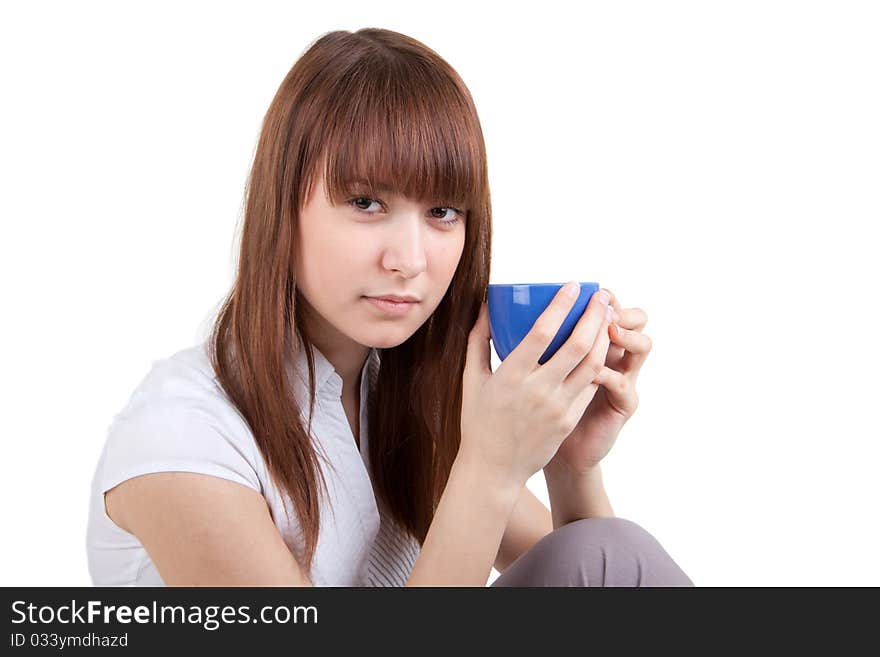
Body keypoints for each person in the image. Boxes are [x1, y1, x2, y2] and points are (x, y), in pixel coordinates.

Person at [85, 27, 693, 587]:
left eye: (442, 213)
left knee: (610, 548)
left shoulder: (409, 398)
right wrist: (488, 467)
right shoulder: (183, 433)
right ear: (282, 209)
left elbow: (592, 578)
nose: (409, 259)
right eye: (366, 202)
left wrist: (569, 463)